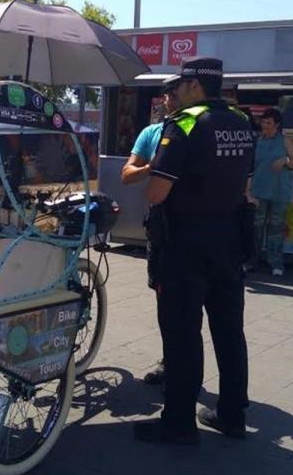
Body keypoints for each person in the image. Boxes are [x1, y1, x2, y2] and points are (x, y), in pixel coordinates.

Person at [135, 57, 255, 445]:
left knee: (182, 333)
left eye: (181, 85)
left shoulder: (184, 123)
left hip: (185, 245)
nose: (177, 93)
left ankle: (178, 423)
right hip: (230, 241)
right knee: (229, 331)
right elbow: (246, 187)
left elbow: (157, 191)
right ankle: (233, 416)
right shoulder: (241, 122)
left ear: (193, 86)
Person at [120, 80, 180, 387]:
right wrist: (153, 166)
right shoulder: (152, 133)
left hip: (196, 228)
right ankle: (170, 362)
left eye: (177, 93)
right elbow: (127, 174)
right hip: (161, 228)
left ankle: (183, 369)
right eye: (168, 94)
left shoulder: (198, 130)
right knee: (164, 298)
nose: (172, 99)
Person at [250, 107, 293, 276]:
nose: (265, 126)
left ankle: (276, 263)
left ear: (277, 125)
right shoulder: (257, 141)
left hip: (279, 190)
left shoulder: (285, 141)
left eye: (269, 123)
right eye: (263, 122)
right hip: (258, 189)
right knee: (256, 227)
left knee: (276, 227)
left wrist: (285, 160)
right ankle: (251, 261)